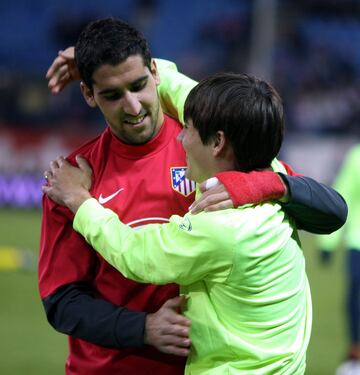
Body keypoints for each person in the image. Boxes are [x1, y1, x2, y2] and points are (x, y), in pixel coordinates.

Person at [40, 17, 347, 375]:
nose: (134, 107)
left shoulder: (218, 150)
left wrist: (270, 184)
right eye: (112, 94)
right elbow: (62, 301)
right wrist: (141, 329)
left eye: (139, 85)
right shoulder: (73, 180)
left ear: (154, 73)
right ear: (89, 94)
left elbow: (330, 210)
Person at [318, 144, 360, 372]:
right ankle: (356, 355)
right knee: (356, 302)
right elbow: (343, 197)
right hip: (358, 244)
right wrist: (328, 242)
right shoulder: (356, 157)